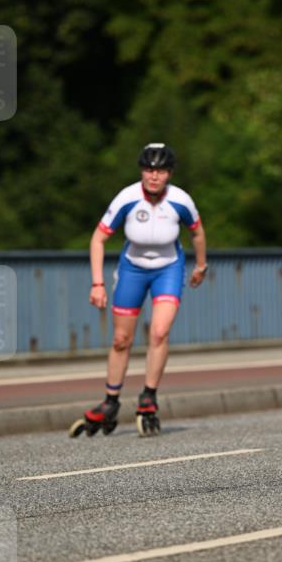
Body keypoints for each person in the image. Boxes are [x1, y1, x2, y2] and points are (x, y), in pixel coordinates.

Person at [69, 143, 208, 438]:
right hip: (132, 269)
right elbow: (98, 239)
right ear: (142, 171)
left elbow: (197, 232)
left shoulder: (181, 200)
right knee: (121, 339)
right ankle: (110, 402)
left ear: (169, 173)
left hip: (168, 269)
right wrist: (97, 283)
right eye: (148, 170)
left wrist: (200, 265)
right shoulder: (127, 198)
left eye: (160, 171)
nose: (153, 176)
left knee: (158, 333)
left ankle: (148, 397)